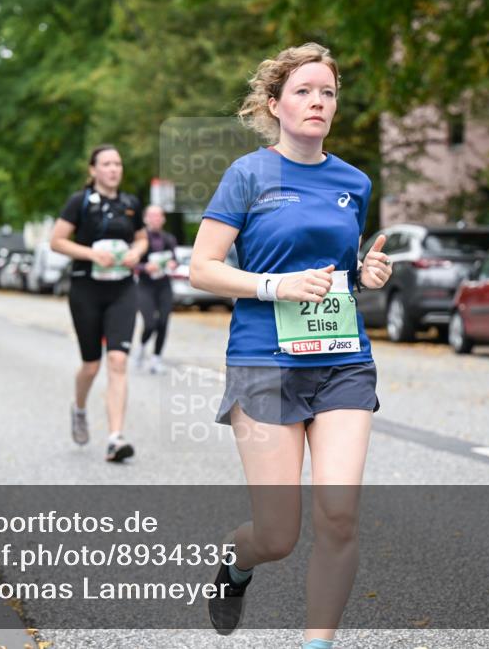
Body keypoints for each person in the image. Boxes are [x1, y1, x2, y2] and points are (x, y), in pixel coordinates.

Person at [189, 44, 393, 648]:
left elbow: (339, 270)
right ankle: (237, 567)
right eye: (304, 90)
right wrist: (274, 285)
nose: (318, 102)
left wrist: (365, 274)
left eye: (327, 92)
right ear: (275, 105)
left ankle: (316, 643)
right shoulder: (248, 175)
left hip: (343, 363)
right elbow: (202, 268)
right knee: (278, 535)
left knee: (339, 514)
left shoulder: (353, 182)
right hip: (264, 363)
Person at [50, 144, 148, 462]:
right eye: (106, 164)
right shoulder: (80, 202)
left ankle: (115, 438)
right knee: (91, 365)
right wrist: (92, 254)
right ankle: (78, 408)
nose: (113, 169)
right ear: (93, 170)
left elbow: (142, 237)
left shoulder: (131, 203)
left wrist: (136, 252)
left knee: (117, 361)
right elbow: (57, 241)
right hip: (86, 289)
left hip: (121, 289)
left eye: (118, 163)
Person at [133, 205, 178, 374]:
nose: (155, 219)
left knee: (164, 321)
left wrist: (173, 264)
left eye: (158, 216)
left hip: (164, 285)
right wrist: (145, 267)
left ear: (163, 218)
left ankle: (156, 359)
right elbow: (132, 262)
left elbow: (175, 260)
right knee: (150, 323)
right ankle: (142, 346)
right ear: (145, 218)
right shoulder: (140, 239)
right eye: (152, 216)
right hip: (145, 286)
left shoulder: (169, 238)